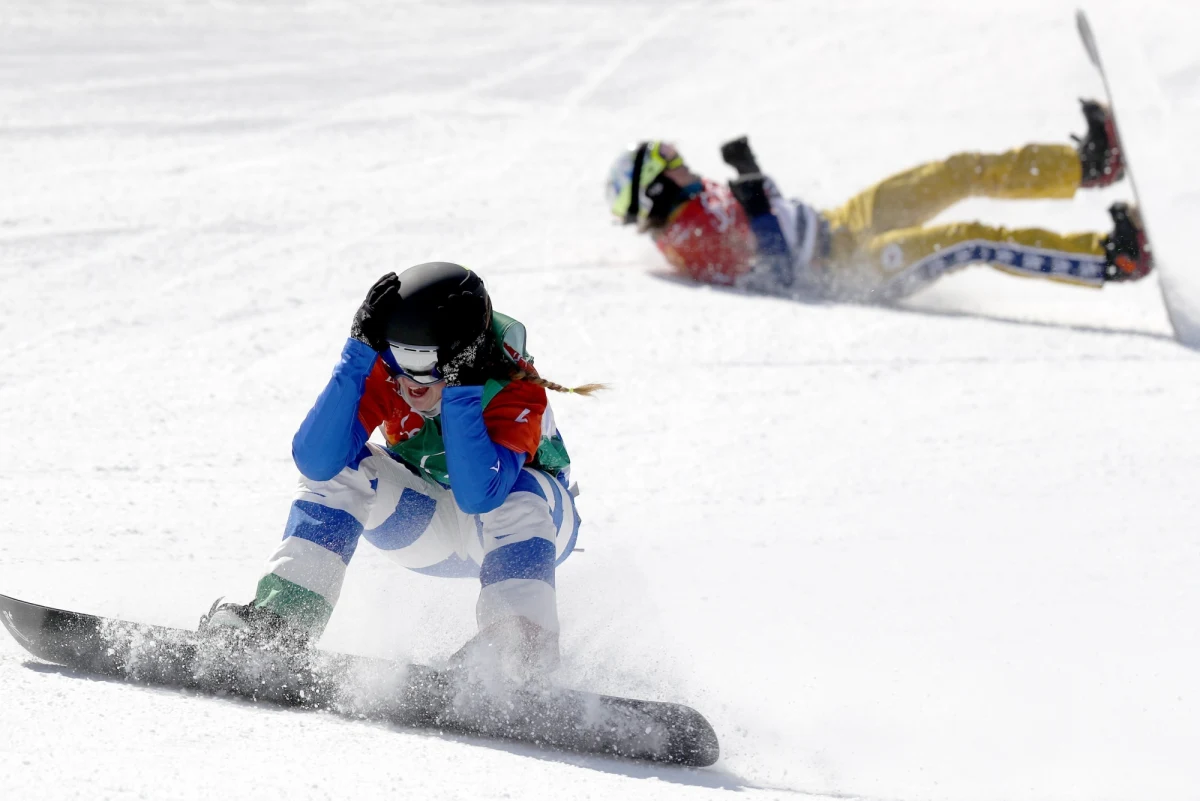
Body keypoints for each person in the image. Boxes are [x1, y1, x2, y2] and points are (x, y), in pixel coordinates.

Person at [201, 262, 601, 680]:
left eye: (425, 360)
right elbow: (316, 462)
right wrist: (357, 356)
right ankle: (280, 627)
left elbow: (482, 494)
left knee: (519, 490)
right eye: (399, 353)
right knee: (342, 465)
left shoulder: (515, 386)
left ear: (463, 353)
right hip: (430, 528)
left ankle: (519, 655)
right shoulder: (392, 372)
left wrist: (462, 390)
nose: (412, 380)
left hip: (524, 530)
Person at [605, 100, 1152, 301]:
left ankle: (1088, 166)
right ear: (655, 185)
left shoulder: (693, 213)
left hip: (838, 225)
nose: (684, 163)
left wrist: (752, 184)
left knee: (956, 173)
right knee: (971, 239)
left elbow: (762, 220)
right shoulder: (690, 237)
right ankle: (1112, 257)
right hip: (846, 267)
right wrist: (750, 185)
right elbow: (773, 274)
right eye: (670, 160)